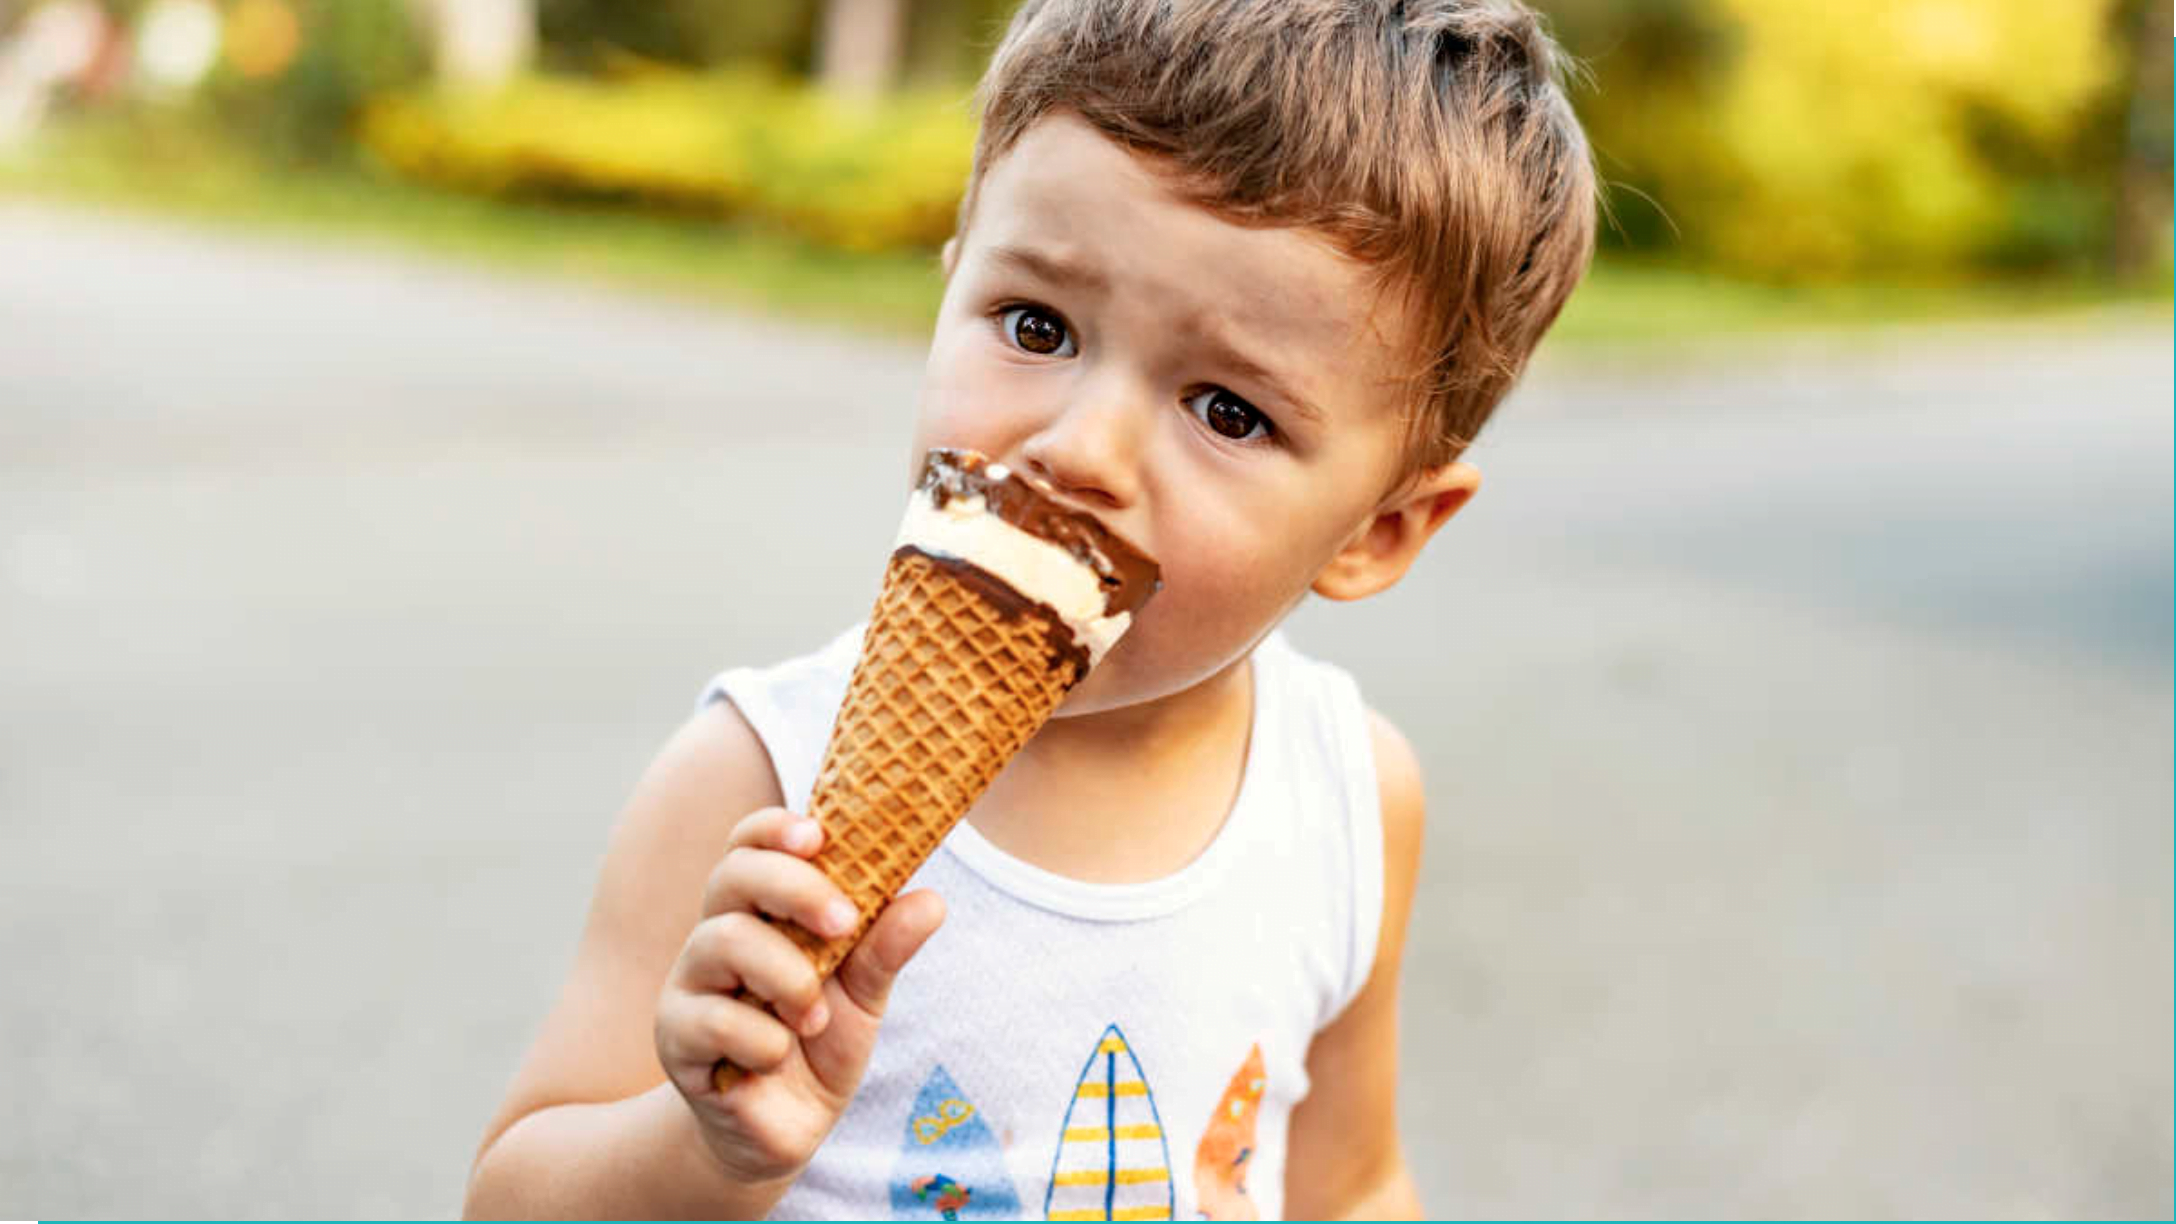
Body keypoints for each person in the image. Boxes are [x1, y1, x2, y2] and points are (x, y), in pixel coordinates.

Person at [462, 0, 1595, 1217]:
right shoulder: (759, 778)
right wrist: (709, 1150)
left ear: (1379, 529)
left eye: (1227, 411)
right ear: (948, 300)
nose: (1082, 447)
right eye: (1037, 327)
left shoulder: (1350, 795)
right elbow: (512, 1197)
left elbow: (1352, 1183)